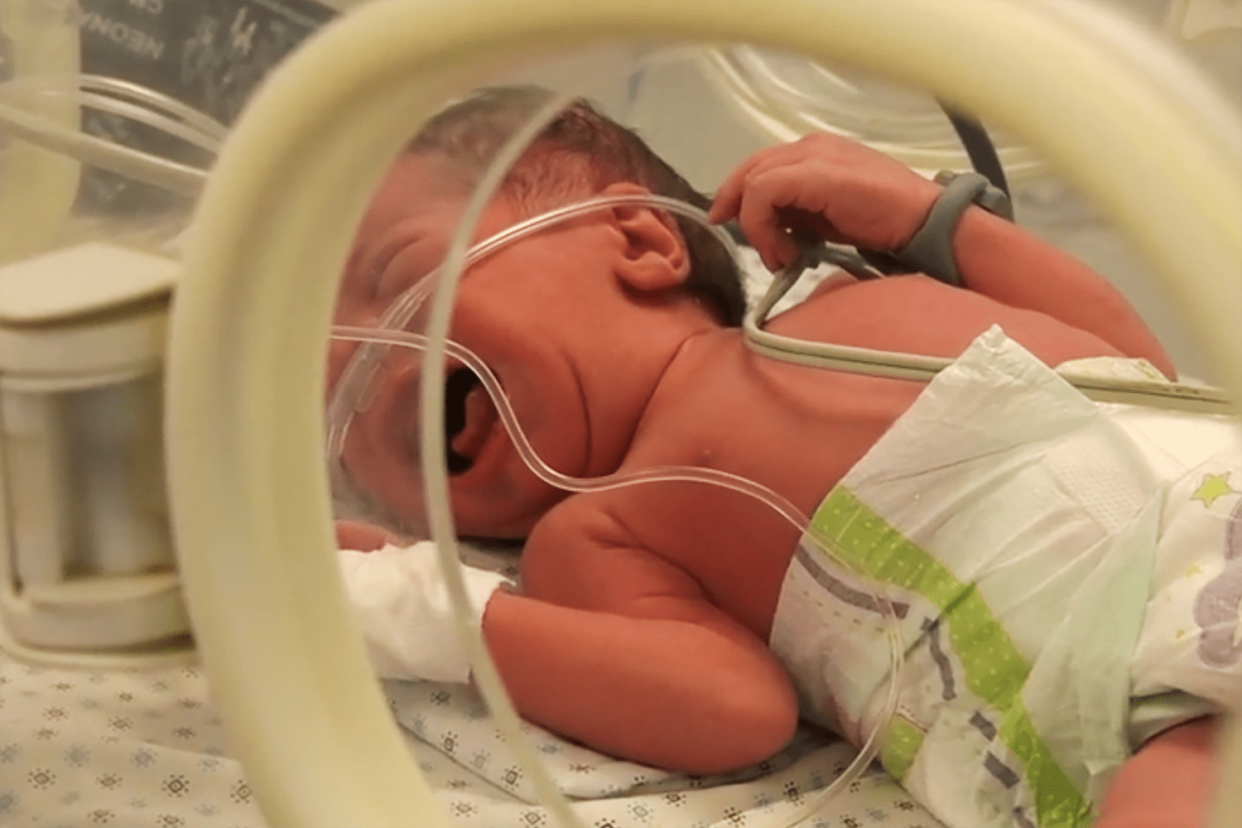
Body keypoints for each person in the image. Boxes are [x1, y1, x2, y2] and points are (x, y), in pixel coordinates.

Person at [330, 87, 1236, 828]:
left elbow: (1133, 367)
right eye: (329, 396)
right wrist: (419, 606)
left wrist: (939, 222)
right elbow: (730, 705)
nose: (363, 365)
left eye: (395, 274)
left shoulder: (851, 299)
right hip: (1118, 726)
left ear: (640, 241)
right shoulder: (595, 532)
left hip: (1203, 528)